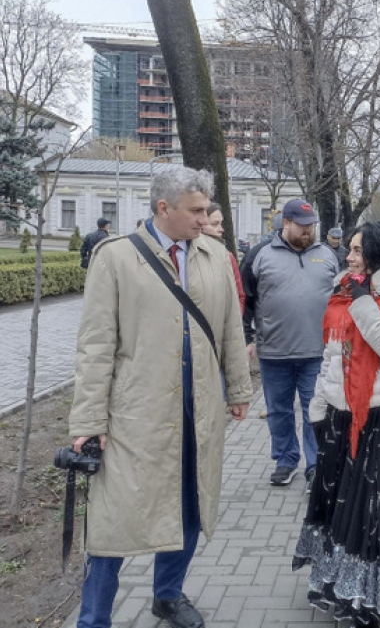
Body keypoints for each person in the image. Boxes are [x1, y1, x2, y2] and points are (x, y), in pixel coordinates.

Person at [68, 166, 252, 628]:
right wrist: (89, 421)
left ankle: (168, 595)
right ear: (162, 208)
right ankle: (93, 619)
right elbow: (95, 345)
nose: (204, 217)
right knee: (111, 523)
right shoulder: (115, 258)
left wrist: (239, 386)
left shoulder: (214, 254)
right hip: (134, 415)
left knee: (190, 502)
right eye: (195, 210)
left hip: (200, 409)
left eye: (206, 209)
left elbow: (231, 327)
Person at [292, 221, 380, 626]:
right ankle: (339, 586)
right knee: (338, 508)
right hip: (340, 412)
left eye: (356, 251)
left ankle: (371, 598)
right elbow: (332, 354)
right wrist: (318, 406)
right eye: (348, 249)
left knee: (375, 515)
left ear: (378, 255)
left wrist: (365, 303)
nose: (348, 257)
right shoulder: (344, 291)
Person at [243, 199, 338, 488]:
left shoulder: (329, 256)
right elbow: (246, 299)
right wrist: (247, 337)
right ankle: (285, 461)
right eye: (302, 226)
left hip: (316, 352)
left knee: (314, 411)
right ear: (286, 223)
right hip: (274, 351)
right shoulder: (260, 255)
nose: (309, 231)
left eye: (312, 226)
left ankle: (314, 465)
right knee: (278, 411)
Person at [202, 202, 246, 313]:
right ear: (199, 224)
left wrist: (231, 324)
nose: (221, 229)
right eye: (214, 224)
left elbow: (238, 295)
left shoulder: (227, 257)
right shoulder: (184, 253)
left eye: (220, 224)